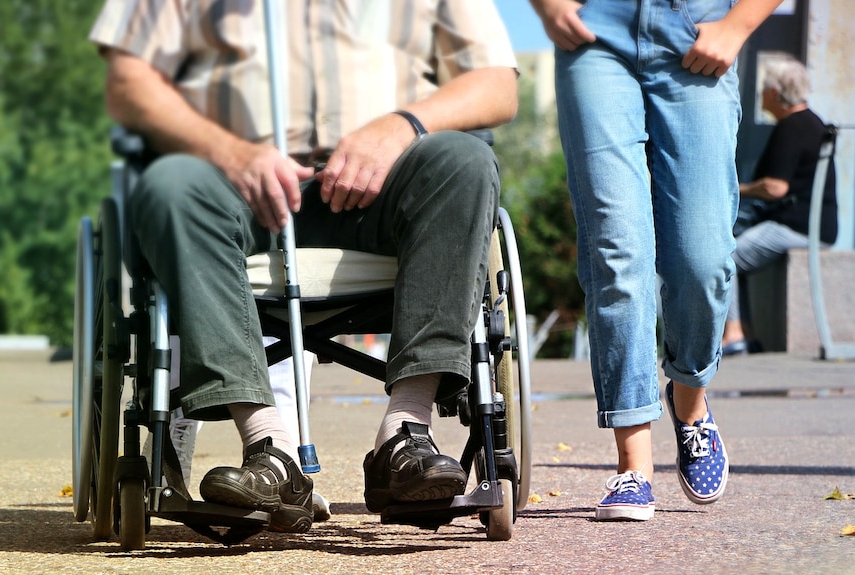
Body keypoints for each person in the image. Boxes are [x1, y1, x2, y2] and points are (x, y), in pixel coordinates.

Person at [89, 0, 518, 533]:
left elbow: (497, 83)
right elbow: (129, 82)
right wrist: (228, 149)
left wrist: (403, 124)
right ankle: (269, 450)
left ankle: (405, 434)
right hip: (231, 185)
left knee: (466, 162)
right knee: (170, 185)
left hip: (385, 184)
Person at [529, 0, 782, 521]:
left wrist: (740, 24)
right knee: (617, 249)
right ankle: (633, 466)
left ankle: (689, 401)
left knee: (702, 256)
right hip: (595, 33)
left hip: (697, 27)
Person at [722, 54, 838, 356]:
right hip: (813, 225)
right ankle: (745, 333)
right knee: (738, 256)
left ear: (775, 93)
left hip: (797, 226)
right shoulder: (811, 123)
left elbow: (775, 188)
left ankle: (734, 333)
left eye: (763, 90)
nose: (760, 95)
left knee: (728, 256)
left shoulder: (793, 127)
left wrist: (735, 188)